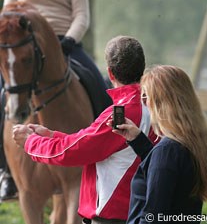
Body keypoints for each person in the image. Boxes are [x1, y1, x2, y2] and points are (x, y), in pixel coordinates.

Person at [0, 0, 112, 200]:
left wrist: (68, 41)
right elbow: (7, 15)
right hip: (25, 48)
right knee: (1, 94)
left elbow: (82, 15)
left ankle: (105, 158)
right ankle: (6, 172)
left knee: (98, 84)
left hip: (64, 43)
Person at [13, 36, 158, 224]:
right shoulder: (153, 105)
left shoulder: (118, 115)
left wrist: (31, 143)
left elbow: (79, 150)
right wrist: (52, 135)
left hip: (114, 216)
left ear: (110, 73)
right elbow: (96, 142)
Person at [109, 65, 207, 224]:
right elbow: (168, 178)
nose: (144, 103)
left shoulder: (167, 151)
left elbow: (153, 217)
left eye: (146, 97)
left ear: (162, 102)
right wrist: (139, 141)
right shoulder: (189, 145)